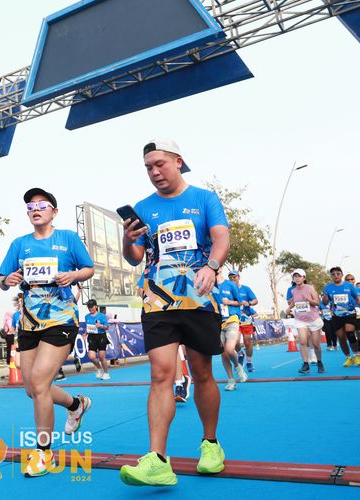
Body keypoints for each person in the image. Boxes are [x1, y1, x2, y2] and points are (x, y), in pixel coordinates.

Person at [119, 139, 229, 487]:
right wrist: (127, 239)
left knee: (202, 372)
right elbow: (135, 257)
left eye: (160, 164)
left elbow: (221, 237)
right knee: (160, 374)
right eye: (148, 167)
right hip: (157, 301)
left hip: (198, 299)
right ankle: (157, 460)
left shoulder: (204, 199)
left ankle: (210, 444)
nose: (154, 172)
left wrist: (212, 266)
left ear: (178, 162)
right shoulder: (143, 207)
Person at [0, 187, 95, 477]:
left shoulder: (68, 238)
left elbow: (88, 269)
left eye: (41, 205)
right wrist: (7, 279)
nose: (35, 210)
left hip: (60, 319)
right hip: (28, 323)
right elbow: (1, 279)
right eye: (30, 206)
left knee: (40, 381)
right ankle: (76, 404)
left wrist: (72, 275)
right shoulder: (19, 244)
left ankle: (44, 453)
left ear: (54, 211)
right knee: (32, 389)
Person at [322, 266, 360, 368]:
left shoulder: (348, 285)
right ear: (331, 276)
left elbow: (356, 296)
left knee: (350, 333)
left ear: (341, 275)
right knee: (341, 337)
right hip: (336, 315)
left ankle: (356, 355)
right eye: (333, 274)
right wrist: (325, 299)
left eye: (338, 274)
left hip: (349, 313)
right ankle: (348, 357)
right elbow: (325, 302)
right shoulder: (328, 287)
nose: (336, 276)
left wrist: (359, 301)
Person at [287, 269, 325, 374]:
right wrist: (289, 308)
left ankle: (319, 362)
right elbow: (295, 301)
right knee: (303, 341)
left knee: (316, 344)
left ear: (304, 278)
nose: (297, 278)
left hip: (313, 319)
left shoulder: (310, 288)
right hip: (300, 320)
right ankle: (305, 364)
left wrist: (309, 300)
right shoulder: (293, 291)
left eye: (299, 276)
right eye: (295, 276)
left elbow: (317, 303)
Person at [216, 273, 246, 391]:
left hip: (232, 319)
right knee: (223, 353)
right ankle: (231, 380)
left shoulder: (230, 285)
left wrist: (229, 302)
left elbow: (240, 302)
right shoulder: (210, 284)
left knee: (229, 349)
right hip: (217, 322)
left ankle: (238, 366)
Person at [229, 271, 258, 372]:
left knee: (247, 341)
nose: (232, 278)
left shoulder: (246, 289)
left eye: (234, 276)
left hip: (246, 319)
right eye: (230, 277)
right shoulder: (228, 290)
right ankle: (240, 354)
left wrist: (249, 303)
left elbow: (255, 300)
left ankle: (249, 363)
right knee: (235, 341)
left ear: (239, 277)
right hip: (234, 319)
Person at [83, 299, 111, 380]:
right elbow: (88, 327)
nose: (90, 309)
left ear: (96, 306)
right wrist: (85, 334)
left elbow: (107, 327)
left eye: (91, 307)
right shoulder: (87, 317)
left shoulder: (102, 316)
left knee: (102, 357)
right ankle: (99, 368)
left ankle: (106, 373)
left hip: (101, 336)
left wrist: (101, 326)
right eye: (89, 307)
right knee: (91, 357)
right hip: (92, 337)